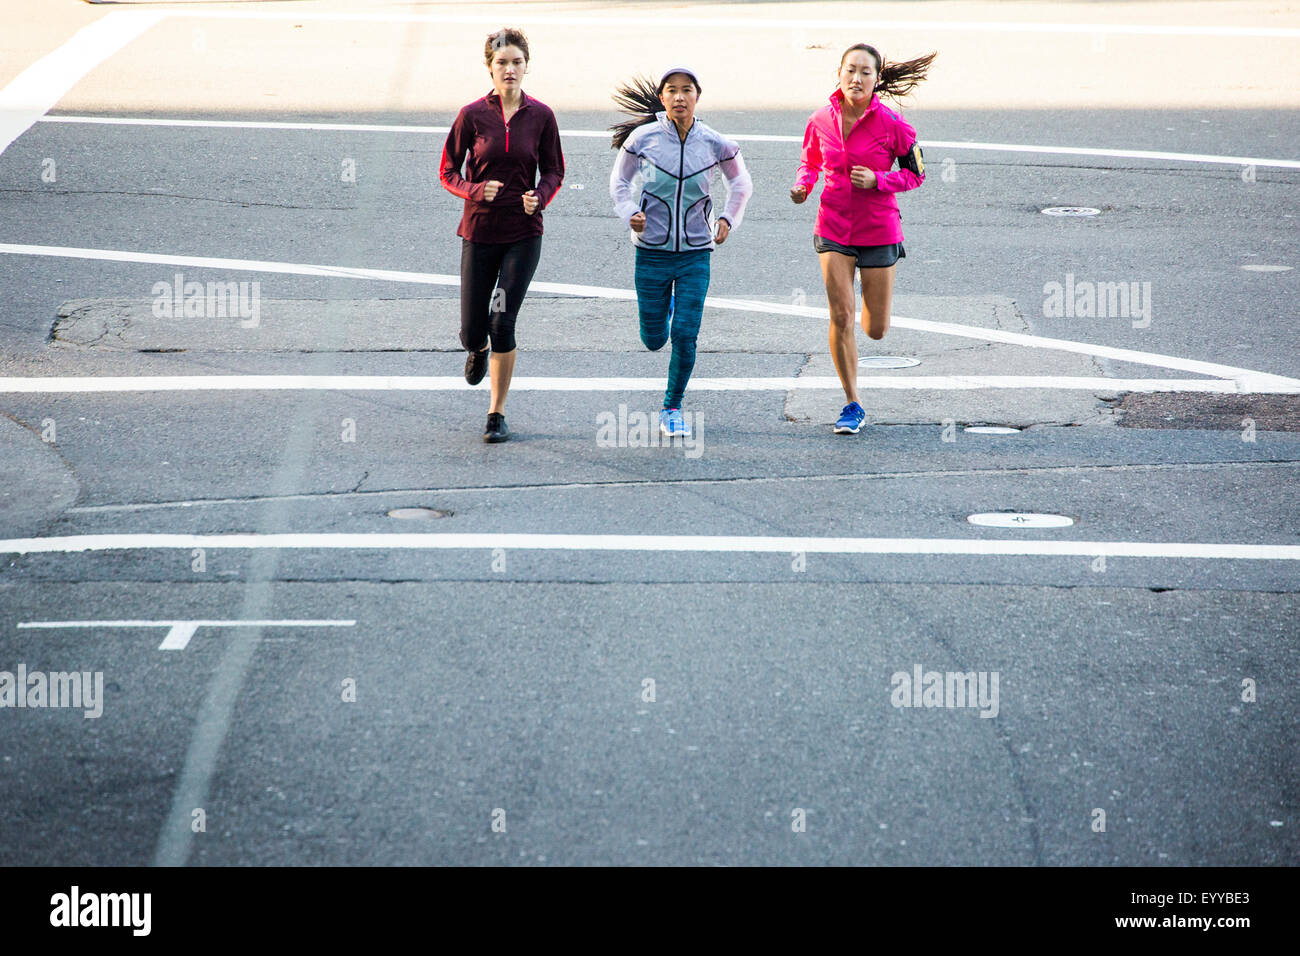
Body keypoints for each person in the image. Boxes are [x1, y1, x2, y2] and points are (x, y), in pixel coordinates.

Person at [791, 44, 935, 435]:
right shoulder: (820, 119)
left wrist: (879, 180)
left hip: (878, 228)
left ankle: (871, 310)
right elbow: (810, 161)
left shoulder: (894, 125)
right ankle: (852, 403)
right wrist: (804, 185)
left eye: (865, 72)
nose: (857, 78)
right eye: (850, 70)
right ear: (839, 74)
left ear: (877, 79)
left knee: (875, 328)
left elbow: (917, 174)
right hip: (833, 227)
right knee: (840, 316)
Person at [609, 68, 753, 438]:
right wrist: (630, 214)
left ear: (697, 97)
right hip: (652, 252)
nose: (679, 97)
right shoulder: (643, 138)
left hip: (695, 253)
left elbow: (740, 182)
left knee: (686, 334)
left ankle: (672, 407)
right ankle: (663, 314)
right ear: (662, 98)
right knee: (654, 338)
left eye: (686, 90)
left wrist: (727, 219)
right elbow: (620, 182)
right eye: (671, 91)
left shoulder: (714, 142)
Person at [440, 27, 565, 442]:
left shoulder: (541, 116)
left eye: (516, 62)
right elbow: (447, 171)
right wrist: (476, 190)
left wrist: (540, 196)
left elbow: (554, 170)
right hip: (478, 231)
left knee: (502, 322)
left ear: (526, 66)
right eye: (501, 62)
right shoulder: (472, 115)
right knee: (473, 331)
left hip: (523, 233)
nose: (509, 69)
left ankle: (496, 413)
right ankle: (475, 350)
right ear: (489, 68)